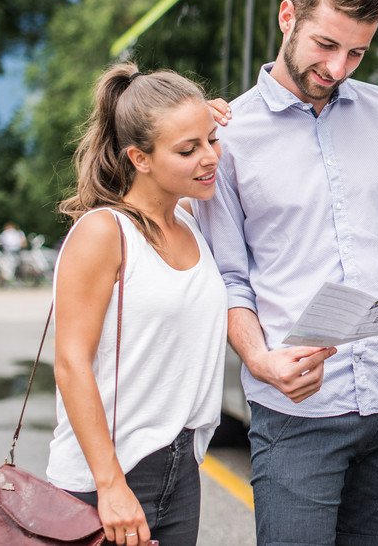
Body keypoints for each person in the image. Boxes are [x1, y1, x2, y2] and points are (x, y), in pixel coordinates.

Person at [195, 0, 378, 543]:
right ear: (288, 16)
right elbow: (229, 281)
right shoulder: (229, 139)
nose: (339, 67)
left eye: (357, 52)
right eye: (326, 44)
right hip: (297, 415)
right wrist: (260, 362)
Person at [46, 63, 271, 546]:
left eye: (212, 141)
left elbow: (189, 132)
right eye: (188, 150)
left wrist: (198, 123)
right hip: (106, 476)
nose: (209, 157)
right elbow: (70, 364)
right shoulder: (103, 233)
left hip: (181, 467)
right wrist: (110, 486)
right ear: (138, 158)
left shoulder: (191, 221)